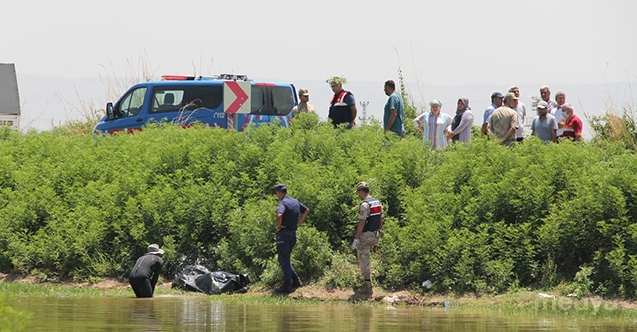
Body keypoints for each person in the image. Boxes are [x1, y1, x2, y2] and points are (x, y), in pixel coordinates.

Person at [274, 184, 309, 294]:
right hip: (292, 234)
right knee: (286, 259)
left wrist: (279, 227)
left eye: (276, 193)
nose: (276, 195)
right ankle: (296, 280)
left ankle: (287, 285)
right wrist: (298, 223)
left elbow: (279, 215)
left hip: (284, 234)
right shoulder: (294, 201)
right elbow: (306, 210)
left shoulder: (283, 203)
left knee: (283, 260)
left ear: (280, 192)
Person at [352, 182, 383, 296]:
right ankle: (367, 284)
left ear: (361, 192)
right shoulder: (377, 202)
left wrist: (356, 238)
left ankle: (367, 286)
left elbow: (362, 223)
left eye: (358, 193)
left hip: (365, 235)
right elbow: (381, 220)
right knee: (367, 258)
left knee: (363, 259)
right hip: (375, 234)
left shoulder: (364, 205)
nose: (358, 196)